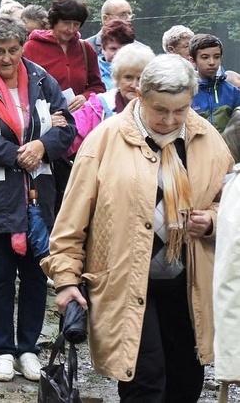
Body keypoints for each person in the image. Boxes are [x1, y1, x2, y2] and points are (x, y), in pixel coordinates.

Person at [42, 54, 234, 401]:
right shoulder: (105, 141)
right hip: (125, 281)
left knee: (185, 380)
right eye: (161, 109)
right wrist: (66, 281)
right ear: (140, 96)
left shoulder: (208, 140)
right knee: (145, 381)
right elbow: (71, 222)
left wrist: (213, 221)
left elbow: (231, 204)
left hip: (187, 284)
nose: (171, 119)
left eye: (181, 110)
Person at [0, 14, 75, 382]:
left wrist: (42, 145)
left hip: (40, 192)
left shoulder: (42, 79)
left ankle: (29, 350)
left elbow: (66, 126)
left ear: (23, 46)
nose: (6, 58)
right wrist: (17, 153)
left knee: (37, 274)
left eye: (12, 50)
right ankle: (2, 350)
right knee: (0, 274)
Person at [23, 0, 104, 113]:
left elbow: (98, 87)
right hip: (44, 121)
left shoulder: (85, 49)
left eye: (76, 24)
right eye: (66, 23)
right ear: (54, 21)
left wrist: (85, 97)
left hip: (80, 121)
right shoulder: (30, 49)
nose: (71, 29)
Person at [67, 43, 155, 155]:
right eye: (128, 77)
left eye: (140, 79)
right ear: (117, 78)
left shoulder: (158, 107)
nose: (134, 85)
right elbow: (69, 140)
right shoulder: (99, 106)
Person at [189, 34, 240, 134]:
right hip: (196, 148)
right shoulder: (187, 92)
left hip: (227, 148)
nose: (212, 62)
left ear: (221, 58)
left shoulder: (233, 92)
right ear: (193, 60)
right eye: (205, 57)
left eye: (216, 57)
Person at [97, 19, 135, 90]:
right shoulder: (92, 70)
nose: (118, 54)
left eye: (122, 49)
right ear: (103, 48)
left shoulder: (139, 69)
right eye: (113, 49)